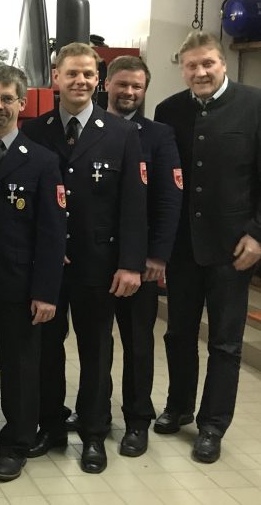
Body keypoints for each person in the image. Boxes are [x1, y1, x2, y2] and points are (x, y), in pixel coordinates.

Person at [21, 42, 147, 474]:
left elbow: (134, 204)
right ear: (55, 76)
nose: (80, 81)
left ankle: (94, 432)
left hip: (99, 264)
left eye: (88, 74)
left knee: (96, 350)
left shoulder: (122, 134)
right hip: (48, 266)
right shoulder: (35, 131)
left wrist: (130, 263)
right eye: (72, 73)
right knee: (46, 349)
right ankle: (51, 426)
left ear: (99, 80)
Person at [153, 31, 261, 463]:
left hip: (234, 250)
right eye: (192, 65)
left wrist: (257, 234)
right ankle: (179, 407)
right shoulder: (168, 111)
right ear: (182, 69)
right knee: (178, 334)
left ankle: (212, 425)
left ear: (223, 64)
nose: (200, 72)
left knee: (225, 343)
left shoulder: (254, 105)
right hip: (182, 249)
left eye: (208, 63)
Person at [0, 66, 66, 481]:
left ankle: (16, 443)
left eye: (8, 98)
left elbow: (53, 232)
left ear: (22, 103)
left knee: (21, 369)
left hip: (19, 286)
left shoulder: (42, 160)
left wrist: (46, 292)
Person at [104, 55, 182, 457]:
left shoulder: (159, 136)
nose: (129, 92)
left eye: (137, 86)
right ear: (107, 84)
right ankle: (94, 413)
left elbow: (169, 199)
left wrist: (158, 257)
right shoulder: (87, 128)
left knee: (137, 344)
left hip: (140, 262)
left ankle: (137, 420)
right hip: (93, 258)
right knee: (95, 343)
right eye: (122, 84)